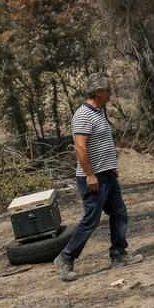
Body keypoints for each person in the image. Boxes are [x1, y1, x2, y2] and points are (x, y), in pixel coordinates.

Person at [54, 72, 142, 281]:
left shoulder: (99, 112)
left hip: (107, 175)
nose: (111, 94)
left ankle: (119, 254)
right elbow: (80, 148)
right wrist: (90, 175)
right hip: (94, 179)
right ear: (98, 91)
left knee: (119, 213)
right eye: (109, 90)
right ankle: (65, 258)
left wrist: (111, 167)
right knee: (90, 220)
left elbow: (100, 144)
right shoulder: (83, 115)